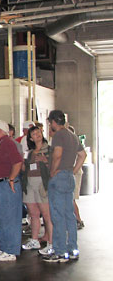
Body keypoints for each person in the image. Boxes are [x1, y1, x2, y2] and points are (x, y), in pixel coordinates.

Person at [42, 111, 86, 262]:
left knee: (57, 215)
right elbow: (83, 155)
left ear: (54, 122)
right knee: (69, 215)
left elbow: (58, 154)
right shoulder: (72, 136)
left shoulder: (58, 136)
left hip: (59, 178)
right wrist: (72, 170)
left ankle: (60, 251)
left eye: (50, 123)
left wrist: (53, 171)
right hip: (68, 177)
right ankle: (72, 248)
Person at [0, 120, 23, 262]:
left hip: (5, 185)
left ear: (1, 131)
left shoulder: (7, 143)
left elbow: (18, 162)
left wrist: (12, 179)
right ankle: (4, 247)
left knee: (10, 218)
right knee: (1, 218)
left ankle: (11, 250)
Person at [21, 125, 53, 254]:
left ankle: (51, 242)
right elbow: (25, 169)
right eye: (33, 134)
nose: (37, 135)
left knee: (47, 214)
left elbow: (54, 166)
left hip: (42, 183)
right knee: (33, 214)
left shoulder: (49, 150)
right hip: (29, 183)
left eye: (38, 132)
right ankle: (34, 239)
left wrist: (46, 161)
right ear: (31, 138)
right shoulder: (29, 153)